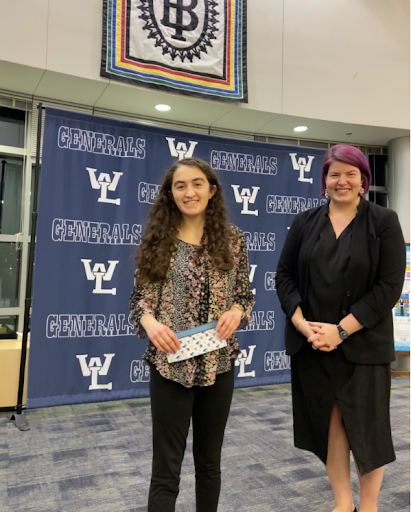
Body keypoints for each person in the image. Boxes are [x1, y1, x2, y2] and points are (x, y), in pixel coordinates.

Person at [276, 144, 405, 512]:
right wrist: (303, 326)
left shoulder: (383, 221)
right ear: (324, 181)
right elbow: (284, 277)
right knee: (330, 427)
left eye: (351, 173)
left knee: (366, 431)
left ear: (364, 179)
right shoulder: (304, 222)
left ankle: (368, 506)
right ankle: (342, 503)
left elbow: (387, 288)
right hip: (313, 347)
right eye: (334, 174)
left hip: (362, 347)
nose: (342, 181)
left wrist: (341, 331)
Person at [129, 157, 255, 512]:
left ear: (212, 190)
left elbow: (245, 295)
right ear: (170, 194)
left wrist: (236, 311)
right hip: (171, 367)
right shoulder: (158, 239)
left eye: (197, 183)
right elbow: (139, 300)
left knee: (209, 464)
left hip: (219, 365)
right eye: (180, 185)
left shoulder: (234, 240)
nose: (189, 192)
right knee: (166, 469)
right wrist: (151, 324)